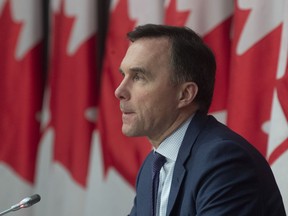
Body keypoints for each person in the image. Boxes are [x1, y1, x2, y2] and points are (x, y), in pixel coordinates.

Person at [114, 24, 286, 216]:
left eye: (138, 77)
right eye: (124, 75)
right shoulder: (152, 167)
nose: (119, 91)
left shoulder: (223, 161)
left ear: (185, 94)